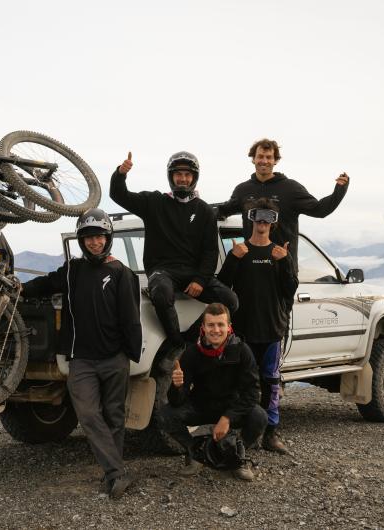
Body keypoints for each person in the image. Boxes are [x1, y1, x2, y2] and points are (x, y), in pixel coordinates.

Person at [20, 208, 142, 499]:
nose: (94, 242)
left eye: (99, 237)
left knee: (114, 416)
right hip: (81, 360)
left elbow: (131, 317)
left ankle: (112, 474)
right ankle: (117, 472)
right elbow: (46, 283)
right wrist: (19, 288)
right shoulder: (73, 270)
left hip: (115, 358)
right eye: (88, 238)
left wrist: (129, 355)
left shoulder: (121, 273)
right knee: (88, 415)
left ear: (108, 238)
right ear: (82, 241)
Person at [110, 151, 238, 362]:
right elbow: (118, 195)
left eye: (187, 175)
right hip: (162, 271)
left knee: (231, 300)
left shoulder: (205, 210)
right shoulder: (154, 202)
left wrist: (200, 280)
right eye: (178, 174)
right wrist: (121, 174)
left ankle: (190, 339)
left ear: (194, 177)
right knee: (161, 292)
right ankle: (177, 343)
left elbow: (210, 252)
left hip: (193, 274)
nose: (183, 179)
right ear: (171, 176)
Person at [217, 198, 299, 454]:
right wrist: (233, 258)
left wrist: (284, 262)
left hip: (272, 329)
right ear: (251, 218)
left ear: (274, 223)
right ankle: (242, 433)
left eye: (268, 217)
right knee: (241, 382)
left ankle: (271, 434)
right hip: (243, 330)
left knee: (271, 383)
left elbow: (290, 290)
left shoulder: (280, 253)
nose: (262, 222)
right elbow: (222, 285)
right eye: (258, 216)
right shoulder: (240, 251)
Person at [158, 303, 268, 481]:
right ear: (203, 327)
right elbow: (176, 401)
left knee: (260, 417)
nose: (216, 330)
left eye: (220, 325)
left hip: (231, 407)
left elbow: (253, 393)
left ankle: (237, 456)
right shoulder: (192, 352)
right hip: (201, 406)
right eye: (211, 325)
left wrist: (227, 418)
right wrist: (177, 386)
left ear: (229, 327)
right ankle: (196, 453)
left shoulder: (242, 351)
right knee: (165, 414)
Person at [217, 138, 350, 267]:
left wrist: (340, 189)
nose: (264, 161)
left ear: (276, 160)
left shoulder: (291, 189)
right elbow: (223, 210)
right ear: (253, 159)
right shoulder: (243, 190)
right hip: (250, 267)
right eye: (260, 156)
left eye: (269, 157)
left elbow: (320, 210)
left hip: (283, 268)